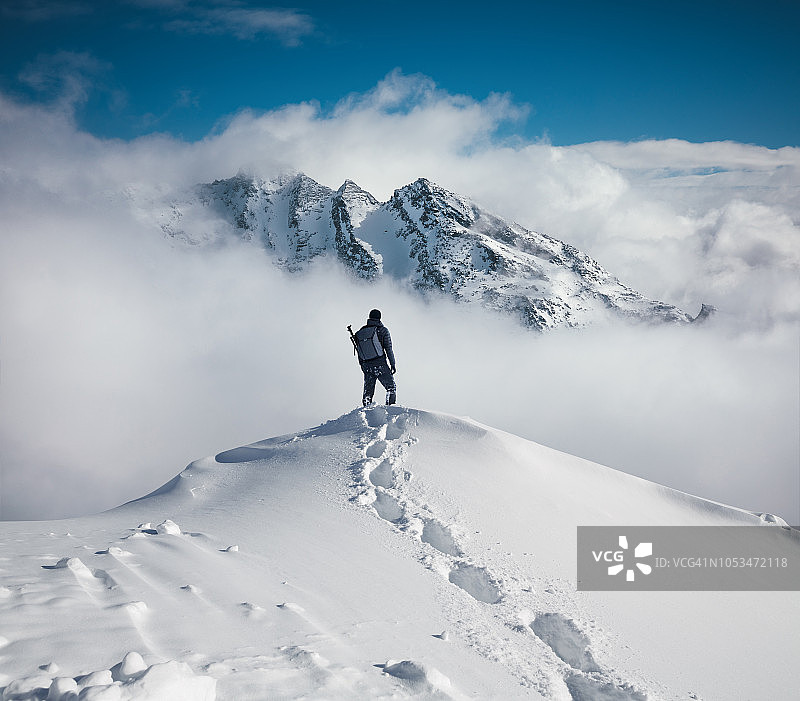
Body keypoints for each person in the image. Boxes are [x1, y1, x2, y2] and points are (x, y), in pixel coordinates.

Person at [355, 309, 396, 406]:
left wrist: (363, 366)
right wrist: (392, 364)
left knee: (368, 392)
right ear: (379, 318)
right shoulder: (382, 330)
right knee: (391, 387)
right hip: (380, 363)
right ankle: (390, 409)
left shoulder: (360, 332)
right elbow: (388, 349)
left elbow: (359, 351)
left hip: (367, 365)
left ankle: (365, 412)